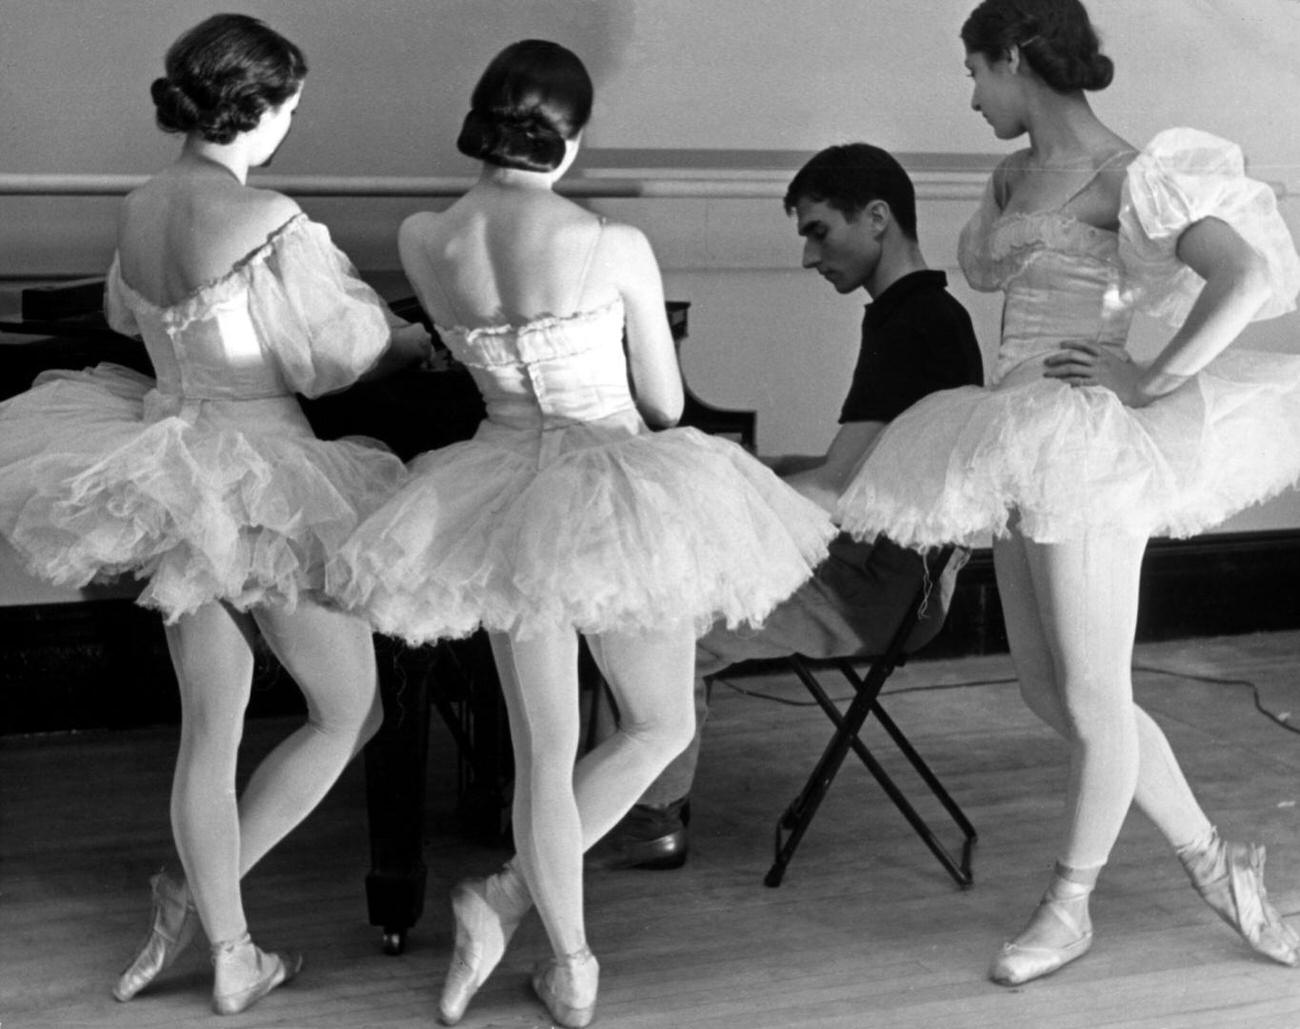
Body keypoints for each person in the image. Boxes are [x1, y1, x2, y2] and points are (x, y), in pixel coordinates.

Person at [328, 39, 834, 1028]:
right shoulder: (611, 242)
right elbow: (661, 397)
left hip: (498, 485)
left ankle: (558, 948)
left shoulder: (427, 237)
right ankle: (517, 910)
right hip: (605, 485)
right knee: (659, 723)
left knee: (544, 748)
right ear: (570, 139)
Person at [836, 0, 1300, 986]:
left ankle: (1068, 906)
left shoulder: (1134, 175)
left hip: (1082, 443)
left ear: (1013, 57)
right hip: (1010, 434)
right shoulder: (1012, 171)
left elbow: (1245, 274)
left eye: (974, 72)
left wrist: (1152, 376)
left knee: (1091, 696)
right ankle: (1217, 866)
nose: (968, 95)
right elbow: (989, 268)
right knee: (1053, 691)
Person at [0, 14, 430, 1016]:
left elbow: (121, 318)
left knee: (213, 723)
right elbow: (333, 357)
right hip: (261, 472)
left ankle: (231, 946)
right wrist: (404, 342)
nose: (290, 125)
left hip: (171, 463)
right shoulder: (269, 215)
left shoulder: (141, 203)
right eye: (291, 108)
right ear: (261, 108)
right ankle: (202, 899)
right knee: (348, 710)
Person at [586, 143, 984, 871]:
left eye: (818, 231)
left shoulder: (916, 325)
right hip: (880, 558)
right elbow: (863, 469)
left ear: (877, 218)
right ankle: (621, 795)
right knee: (717, 504)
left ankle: (649, 818)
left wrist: (708, 493)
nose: (808, 256)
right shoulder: (917, 312)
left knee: (665, 616)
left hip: (886, 588)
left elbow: (836, 491)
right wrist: (739, 473)